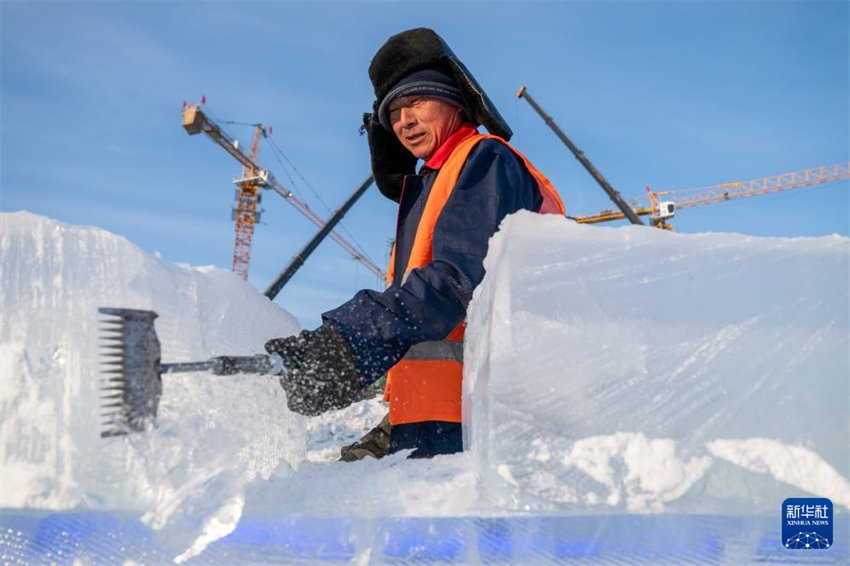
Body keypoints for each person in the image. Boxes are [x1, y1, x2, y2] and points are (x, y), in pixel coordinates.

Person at [265, 28, 564, 459]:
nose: (404, 121)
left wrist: (350, 342)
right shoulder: (432, 186)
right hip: (436, 415)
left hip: (482, 418)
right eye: (394, 112)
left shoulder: (483, 160)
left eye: (416, 103)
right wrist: (394, 423)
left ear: (455, 102)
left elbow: (459, 279)